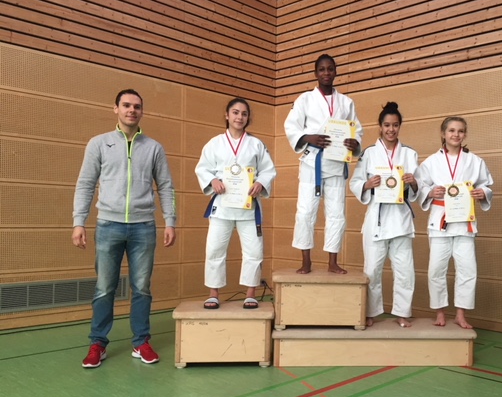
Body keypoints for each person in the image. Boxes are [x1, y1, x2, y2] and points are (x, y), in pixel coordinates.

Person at [72, 89, 177, 368]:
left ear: (142, 112)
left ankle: (141, 342)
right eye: (127, 105)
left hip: (143, 226)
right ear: (116, 108)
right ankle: (98, 343)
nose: (132, 110)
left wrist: (170, 221)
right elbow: (85, 184)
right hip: (108, 225)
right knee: (104, 288)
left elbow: (166, 186)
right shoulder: (99, 143)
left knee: (141, 288)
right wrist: (79, 221)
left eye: (137, 106)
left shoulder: (153, 148)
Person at [284, 53, 363, 274]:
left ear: (335, 72)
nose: (326, 73)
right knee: (305, 212)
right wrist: (308, 137)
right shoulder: (304, 99)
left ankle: (332, 261)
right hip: (312, 162)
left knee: (336, 213)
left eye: (330, 69)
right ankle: (306, 261)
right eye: (322, 69)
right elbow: (291, 126)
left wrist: (354, 143)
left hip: (336, 163)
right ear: (316, 73)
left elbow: (357, 129)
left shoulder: (346, 102)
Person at [195, 98, 276, 310]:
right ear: (227, 115)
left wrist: (260, 183)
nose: (239, 117)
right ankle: (213, 294)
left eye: (244, 113)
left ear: (248, 118)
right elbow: (202, 168)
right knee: (215, 249)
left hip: (248, 207)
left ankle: (250, 294)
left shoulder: (256, 144)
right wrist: (212, 181)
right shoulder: (214, 144)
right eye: (235, 112)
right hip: (222, 206)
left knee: (254, 251)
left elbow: (268, 170)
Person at [416, 116, 493, 329]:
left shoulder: (474, 161)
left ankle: (460, 314)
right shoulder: (431, 162)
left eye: (460, 131)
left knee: (467, 269)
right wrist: (430, 192)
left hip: (464, 221)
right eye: (451, 130)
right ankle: (440, 312)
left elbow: (486, 185)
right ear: (443, 134)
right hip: (440, 220)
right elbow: (420, 187)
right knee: (436, 269)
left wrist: (482, 193)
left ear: (465, 134)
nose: (456, 134)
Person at [349, 102, 419, 328]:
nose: (391, 129)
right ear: (380, 127)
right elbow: (355, 182)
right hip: (377, 219)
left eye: (395, 125)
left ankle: (402, 312)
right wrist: (367, 184)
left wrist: (413, 182)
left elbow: (419, 189)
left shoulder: (409, 154)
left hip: (400, 219)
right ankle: (371, 312)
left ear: (400, 127)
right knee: (372, 269)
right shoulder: (369, 153)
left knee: (405, 270)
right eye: (387, 125)